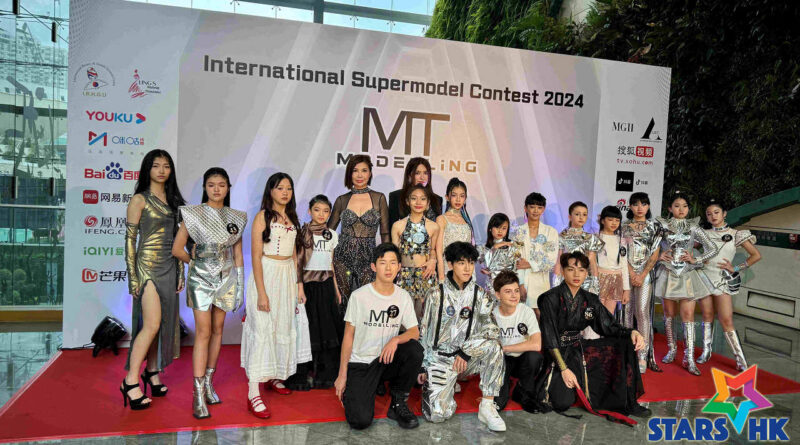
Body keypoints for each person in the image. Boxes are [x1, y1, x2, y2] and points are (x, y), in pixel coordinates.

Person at [536, 252, 651, 420]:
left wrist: (632, 332)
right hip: (556, 353)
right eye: (571, 269)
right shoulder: (549, 299)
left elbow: (608, 326)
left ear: (586, 273)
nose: (576, 274)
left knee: (624, 342)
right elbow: (550, 337)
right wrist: (564, 369)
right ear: (563, 271)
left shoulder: (589, 299)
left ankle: (628, 401)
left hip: (578, 349)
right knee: (562, 402)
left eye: (582, 270)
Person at [172, 167, 246, 419]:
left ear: (228, 188)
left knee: (217, 331)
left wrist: (240, 286)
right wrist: (195, 262)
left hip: (226, 279)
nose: (216, 189)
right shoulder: (192, 214)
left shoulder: (237, 217)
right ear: (205, 187)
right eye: (212, 185)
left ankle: (209, 384)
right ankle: (197, 393)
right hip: (201, 279)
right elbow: (177, 249)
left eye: (222, 185)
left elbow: (238, 255)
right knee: (203, 332)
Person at [121, 149, 186, 411]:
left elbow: (179, 240)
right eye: (156, 165)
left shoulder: (175, 201)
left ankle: (152, 371)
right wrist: (133, 278)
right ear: (147, 169)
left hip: (169, 266)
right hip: (146, 268)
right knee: (151, 324)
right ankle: (130, 381)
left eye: (166, 166)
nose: (161, 170)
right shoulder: (139, 199)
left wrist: (181, 271)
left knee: (162, 325)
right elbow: (129, 241)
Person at [418, 242, 506, 432]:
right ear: (450, 264)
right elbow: (424, 331)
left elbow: (492, 329)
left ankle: (487, 406)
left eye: (471, 262)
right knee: (437, 415)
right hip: (440, 359)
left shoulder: (480, 295)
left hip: (467, 359)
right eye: (461, 262)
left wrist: (466, 351)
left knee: (494, 347)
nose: (467, 268)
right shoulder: (435, 294)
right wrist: (423, 365)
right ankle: (447, 385)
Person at [335, 243, 424, 430]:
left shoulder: (403, 296)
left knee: (414, 350)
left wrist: (395, 339)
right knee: (359, 421)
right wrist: (342, 375)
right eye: (383, 263)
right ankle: (362, 388)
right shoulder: (359, 296)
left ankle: (397, 403)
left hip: (386, 359)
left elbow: (414, 332)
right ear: (374, 266)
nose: (388, 268)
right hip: (362, 362)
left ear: (399, 267)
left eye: (393, 263)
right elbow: (348, 336)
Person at [241, 173, 308, 418]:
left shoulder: (293, 218)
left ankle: (274, 376)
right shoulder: (262, 217)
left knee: (282, 327)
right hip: (267, 275)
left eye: (288, 188)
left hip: (287, 277)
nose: (285, 192)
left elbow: (295, 256)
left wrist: (299, 285)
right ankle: (253, 393)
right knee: (262, 331)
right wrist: (261, 292)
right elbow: (256, 256)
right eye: (280, 188)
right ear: (270, 191)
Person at [654, 191, 719, 376]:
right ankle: (672, 350)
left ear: (689, 209)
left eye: (684, 206)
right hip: (667, 274)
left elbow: (712, 248)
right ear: (670, 208)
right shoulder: (662, 226)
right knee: (669, 314)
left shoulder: (694, 227)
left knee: (688, 315)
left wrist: (695, 259)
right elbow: (651, 246)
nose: (681, 210)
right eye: (677, 206)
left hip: (687, 275)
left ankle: (688, 358)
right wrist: (659, 256)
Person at [696, 199, 761, 371]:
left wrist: (736, 268)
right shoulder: (703, 233)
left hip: (722, 280)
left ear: (724, 214)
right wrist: (695, 259)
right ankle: (706, 352)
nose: (713, 216)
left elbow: (755, 255)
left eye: (716, 212)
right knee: (707, 315)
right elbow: (688, 249)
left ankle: (740, 360)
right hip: (703, 277)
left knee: (726, 319)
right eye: (709, 214)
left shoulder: (736, 234)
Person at [329, 155, 389, 310]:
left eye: (364, 170)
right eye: (355, 171)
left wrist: (387, 259)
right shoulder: (342, 200)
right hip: (342, 258)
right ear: (350, 174)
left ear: (370, 173)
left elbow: (385, 233)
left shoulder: (379, 198)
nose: (360, 175)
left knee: (367, 304)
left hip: (368, 258)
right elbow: (329, 233)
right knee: (342, 303)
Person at [297, 195, 344, 389]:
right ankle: (305, 372)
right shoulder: (302, 233)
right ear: (310, 211)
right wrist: (299, 287)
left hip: (326, 285)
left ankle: (324, 374)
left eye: (326, 211)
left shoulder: (332, 234)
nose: (321, 214)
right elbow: (298, 263)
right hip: (307, 285)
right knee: (308, 329)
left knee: (327, 328)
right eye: (317, 210)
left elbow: (331, 264)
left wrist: (337, 290)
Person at [621, 192, 663, 374]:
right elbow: (621, 252)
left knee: (642, 312)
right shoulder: (623, 226)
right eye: (636, 204)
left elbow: (655, 253)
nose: (640, 208)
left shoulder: (655, 227)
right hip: (626, 273)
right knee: (626, 312)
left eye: (644, 204)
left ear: (648, 206)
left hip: (645, 274)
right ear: (630, 206)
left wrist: (642, 273)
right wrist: (631, 273)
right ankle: (626, 352)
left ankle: (642, 356)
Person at [491, 271, 543, 412]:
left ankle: (522, 390)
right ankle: (504, 383)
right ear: (498, 295)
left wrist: (506, 348)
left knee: (534, 357)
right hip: (502, 361)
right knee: (498, 405)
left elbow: (537, 344)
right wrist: (502, 352)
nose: (514, 295)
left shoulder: (526, 311)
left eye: (516, 291)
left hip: (522, 359)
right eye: (508, 292)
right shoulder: (492, 315)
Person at [391, 185, 439, 320]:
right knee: (403, 318)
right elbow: (394, 255)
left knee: (423, 318)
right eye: (414, 198)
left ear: (428, 203)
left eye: (423, 199)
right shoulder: (398, 225)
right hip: (404, 275)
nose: (418, 202)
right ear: (407, 201)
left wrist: (432, 261)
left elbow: (433, 250)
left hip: (425, 274)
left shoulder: (434, 226)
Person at [513, 192, 558, 317]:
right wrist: (520, 284)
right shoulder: (519, 231)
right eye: (532, 207)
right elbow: (517, 261)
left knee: (541, 316)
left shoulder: (550, 232)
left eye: (539, 207)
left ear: (543, 209)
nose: (535, 211)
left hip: (541, 281)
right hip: (523, 281)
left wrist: (529, 264)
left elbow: (550, 261)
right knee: (523, 317)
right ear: (525, 208)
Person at [553, 201, 604, 294]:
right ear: (570, 216)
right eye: (577, 214)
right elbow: (558, 262)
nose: (581, 217)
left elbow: (593, 263)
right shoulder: (561, 236)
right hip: (566, 280)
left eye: (584, 214)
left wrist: (595, 283)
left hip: (586, 281)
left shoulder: (591, 238)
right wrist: (556, 283)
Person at [477, 213, 525, 298]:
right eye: (497, 227)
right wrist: (495, 247)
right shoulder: (482, 248)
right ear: (490, 228)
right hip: (492, 288)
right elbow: (486, 266)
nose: (500, 231)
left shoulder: (513, 246)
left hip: (510, 287)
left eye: (504, 228)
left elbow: (518, 268)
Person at [436, 177, 474, 280]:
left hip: (466, 272)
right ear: (447, 197)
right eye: (454, 195)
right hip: (449, 271)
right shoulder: (442, 219)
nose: (458, 199)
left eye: (462, 196)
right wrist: (441, 277)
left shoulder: (466, 221)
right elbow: (439, 252)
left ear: (465, 198)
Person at [596, 206, 630, 317]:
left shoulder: (621, 241)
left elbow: (624, 265)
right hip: (598, 278)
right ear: (602, 220)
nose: (614, 223)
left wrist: (626, 289)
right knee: (596, 313)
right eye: (610, 219)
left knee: (609, 315)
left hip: (616, 280)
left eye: (617, 220)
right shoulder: (596, 238)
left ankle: (606, 330)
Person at [388, 157, 443, 226]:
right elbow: (391, 227)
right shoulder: (396, 196)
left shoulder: (437, 199)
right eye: (417, 173)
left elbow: (438, 228)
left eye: (425, 173)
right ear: (409, 175)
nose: (422, 177)